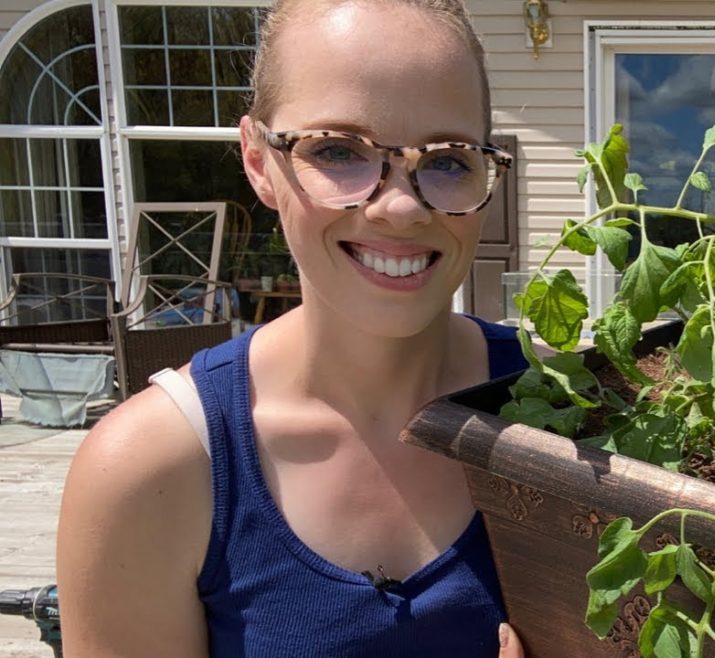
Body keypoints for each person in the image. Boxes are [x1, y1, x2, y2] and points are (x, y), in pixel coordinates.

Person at [56, 1, 528, 655]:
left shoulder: (577, 408)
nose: (399, 206)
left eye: (447, 161)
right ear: (258, 161)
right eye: (338, 150)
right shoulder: (151, 470)